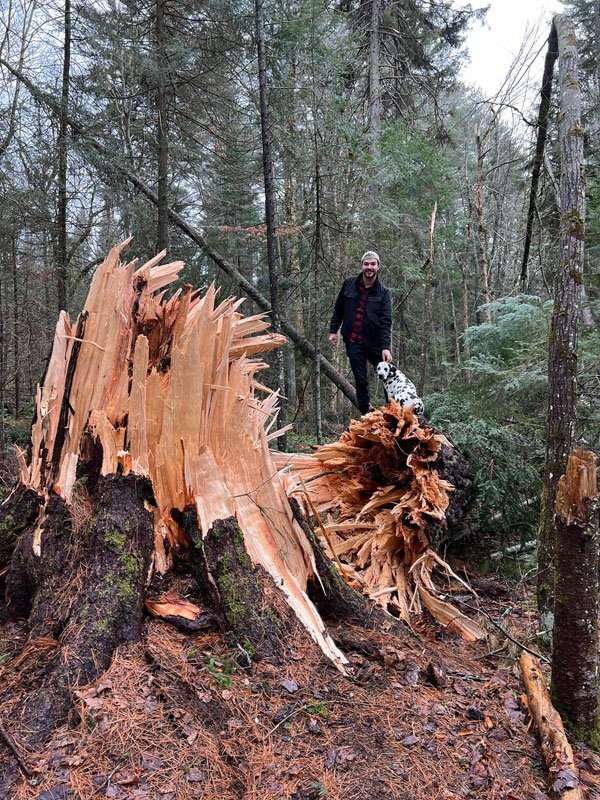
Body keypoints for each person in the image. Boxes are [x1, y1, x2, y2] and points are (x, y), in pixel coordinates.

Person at [328, 251, 392, 414]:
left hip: (375, 343)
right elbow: (339, 309)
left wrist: (385, 347)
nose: (369, 267)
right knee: (361, 380)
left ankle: (392, 411)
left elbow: (386, 321)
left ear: (378, 266)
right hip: (353, 341)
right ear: (362, 265)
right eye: (366, 264)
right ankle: (366, 412)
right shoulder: (349, 284)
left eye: (372, 264)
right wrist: (333, 330)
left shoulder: (383, 293)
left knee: (387, 377)